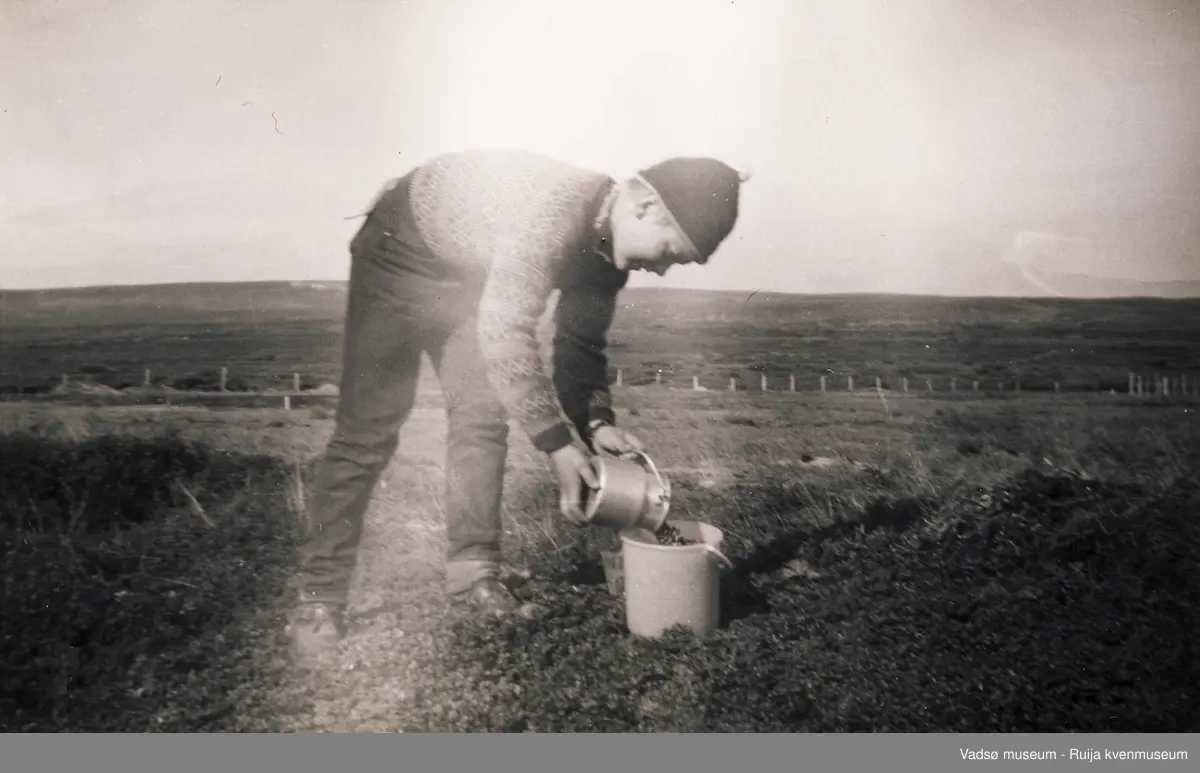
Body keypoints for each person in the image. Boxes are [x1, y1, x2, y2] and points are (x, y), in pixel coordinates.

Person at [287, 147, 749, 665]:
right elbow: (506, 332)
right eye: (669, 251)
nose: (662, 271)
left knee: (482, 418)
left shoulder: (607, 258)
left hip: (468, 276)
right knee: (368, 429)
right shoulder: (553, 216)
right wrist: (557, 446)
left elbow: (579, 347)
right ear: (643, 205)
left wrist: (595, 424)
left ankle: (472, 577)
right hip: (399, 254)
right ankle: (319, 599)